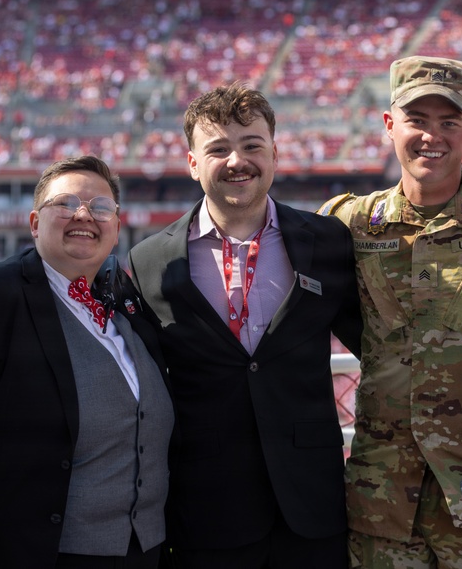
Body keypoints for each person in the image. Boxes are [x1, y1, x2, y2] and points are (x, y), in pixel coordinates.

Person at [319, 56, 462, 567]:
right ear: (389, 125)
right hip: (382, 503)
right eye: (417, 120)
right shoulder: (351, 222)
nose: (433, 136)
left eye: (449, 122)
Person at [127, 82, 362, 568]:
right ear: (192, 164)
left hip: (312, 508)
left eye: (252, 145)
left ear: (275, 154)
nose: (238, 160)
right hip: (206, 512)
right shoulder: (150, 260)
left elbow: (375, 347)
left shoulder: (328, 241)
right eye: (218, 149)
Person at [0, 156, 175, 569]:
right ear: (34, 223)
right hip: (35, 554)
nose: (84, 215)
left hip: (147, 554)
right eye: (65, 203)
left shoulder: (131, 305)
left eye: (100, 208)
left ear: (116, 228)